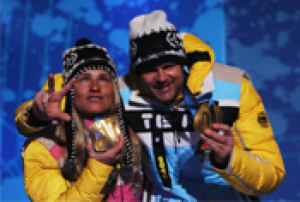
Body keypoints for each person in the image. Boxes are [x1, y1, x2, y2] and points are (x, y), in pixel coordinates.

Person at [15, 10, 286, 201]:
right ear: (135, 72)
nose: (161, 77)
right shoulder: (124, 91)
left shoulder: (232, 87)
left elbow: (272, 175)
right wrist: (35, 114)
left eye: (169, 66)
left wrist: (229, 159)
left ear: (183, 63)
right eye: (149, 70)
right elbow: (66, 90)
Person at [16, 38, 143, 201]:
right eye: (84, 78)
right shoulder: (45, 144)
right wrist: (100, 166)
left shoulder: (131, 124)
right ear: (69, 88)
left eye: (104, 78)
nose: (95, 87)